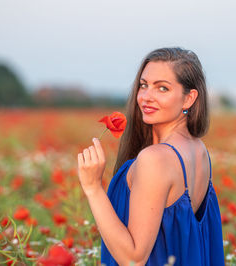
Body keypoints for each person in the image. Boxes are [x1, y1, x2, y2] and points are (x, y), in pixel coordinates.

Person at [77, 47, 225, 265]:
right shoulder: (199, 149)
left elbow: (133, 259)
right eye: (144, 85)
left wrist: (93, 188)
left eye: (162, 88)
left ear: (189, 98)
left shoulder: (154, 159)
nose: (146, 97)